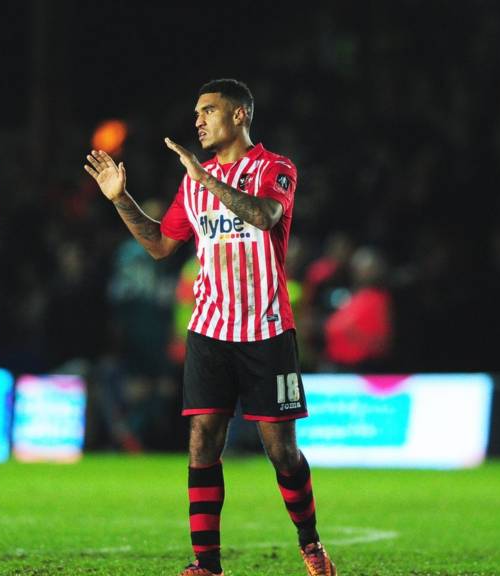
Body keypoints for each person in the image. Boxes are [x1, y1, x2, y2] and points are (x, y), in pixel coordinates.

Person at [85, 78, 336, 576]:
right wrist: (119, 198)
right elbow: (159, 244)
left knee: (281, 452)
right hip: (210, 330)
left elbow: (265, 215)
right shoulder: (193, 183)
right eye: (196, 112)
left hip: (266, 329)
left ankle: (310, 545)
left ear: (239, 115)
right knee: (202, 440)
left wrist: (208, 180)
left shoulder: (274, 167)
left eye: (208, 110)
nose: (197, 120)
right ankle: (206, 564)